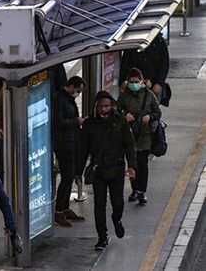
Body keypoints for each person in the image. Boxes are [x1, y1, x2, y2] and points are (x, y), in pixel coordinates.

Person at [77, 91, 137, 250]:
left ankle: (117, 219)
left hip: (117, 169)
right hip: (99, 171)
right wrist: (78, 171)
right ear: (96, 107)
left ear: (112, 106)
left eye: (107, 106)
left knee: (118, 202)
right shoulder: (90, 124)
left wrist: (131, 166)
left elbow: (129, 145)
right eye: (101, 106)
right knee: (99, 204)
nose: (104, 109)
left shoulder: (120, 122)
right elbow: (83, 149)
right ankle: (102, 236)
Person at [117, 68, 161, 205]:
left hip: (145, 135)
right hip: (129, 135)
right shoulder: (124, 96)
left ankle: (142, 191)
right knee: (132, 163)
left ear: (142, 81)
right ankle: (134, 189)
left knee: (143, 163)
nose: (134, 84)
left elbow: (157, 112)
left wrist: (150, 116)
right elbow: (116, 111)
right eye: (131, 82)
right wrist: (124, 115)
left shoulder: (149, 95)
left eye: (136, 82)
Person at [51, 76, 87, 227]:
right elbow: (58, 121)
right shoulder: (59, 99)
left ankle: (64, 207)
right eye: (77, 91)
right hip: (63, 144)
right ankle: (59, 210)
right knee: (66, 177)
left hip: (70, 142)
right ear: (71, 86)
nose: (78, 94)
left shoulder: (67, 98)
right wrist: (76, 121)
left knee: (69, 176)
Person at [119, 34, 170, 103]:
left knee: (152, 107)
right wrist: (122, 83)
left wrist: (159, 82)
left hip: (153, 83)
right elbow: (125, 64)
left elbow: (164, 64)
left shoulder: (159, 42)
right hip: (134, 83)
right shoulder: (133, 42)